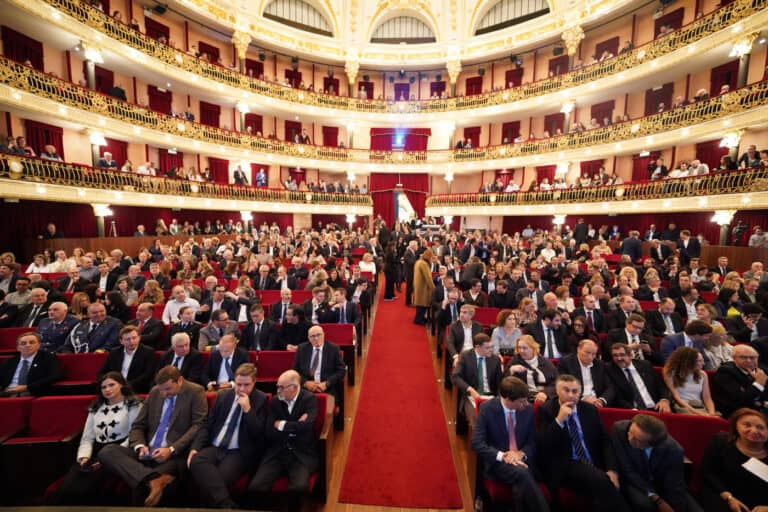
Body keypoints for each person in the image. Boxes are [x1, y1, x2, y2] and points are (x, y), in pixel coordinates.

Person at [47, 372, 143, 505]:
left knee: (92, 484)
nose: (107, 389)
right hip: (96, 451)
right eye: (104, 387)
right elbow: (87, 438)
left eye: (112, 385)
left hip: (120, 451)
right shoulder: (95, 407)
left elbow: (134, 433)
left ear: (122, 385)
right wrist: (84, 457)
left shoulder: (133, 405)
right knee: (72, 481)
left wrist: (112, 455)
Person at [537, 374, 629, 512]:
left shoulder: (589, 409)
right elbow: (544, 445)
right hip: (566, 463)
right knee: (601, 481)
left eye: (575, 391)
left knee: (612, 487)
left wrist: (612, 470)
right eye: (566, 390)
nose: (571, 395)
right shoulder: (547, 409)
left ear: (580, 393)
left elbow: (605, 441)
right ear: (557, 391)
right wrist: (559, 419)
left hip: (592, 461)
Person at [188, 363, 268, 508]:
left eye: (246, 385)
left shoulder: (261, 399)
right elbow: (207, 425)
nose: (241, 389)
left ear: (254, 382)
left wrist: (248, 410)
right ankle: (228, 505)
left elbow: (259, 434)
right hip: (216, 445)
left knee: (217, 480)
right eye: (238, 384)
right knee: (196, 460)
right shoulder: (223, 396)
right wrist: (195, 447)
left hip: (238, 451)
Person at [471, 376, 550, 511]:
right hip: (498, 463)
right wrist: (503, 456)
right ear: (508, 400)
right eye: (522, 401)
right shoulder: (487, 409)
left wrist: (521, 454)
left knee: (521, 481)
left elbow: (532, 442)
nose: (526, 404)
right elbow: (476, 443)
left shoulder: (528, 410)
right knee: (523, 473)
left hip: (523, 461)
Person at [247, 370, 318, 510]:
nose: (278, 390)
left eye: (282, 387)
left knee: (299, 488)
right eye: (277, 386)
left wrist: (282, 425)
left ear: (294, 387)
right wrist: (296, 426)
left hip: (301, 453)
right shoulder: (275, 401)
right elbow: (269, 431)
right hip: (277, 451)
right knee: (256, 487)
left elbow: (307, 427)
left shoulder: (309, 399)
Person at [610, 414, 702, 512]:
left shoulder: (674, 450)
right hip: (634, 480)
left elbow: (674, 483)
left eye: (637, 440)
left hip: (662, 483)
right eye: (630, 432)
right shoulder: (620, 429)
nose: (630, 439)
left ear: (652, 444)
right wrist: (657, 499)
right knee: (644, 504)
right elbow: (628, 470)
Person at [699, 408, 768, 512]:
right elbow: (707, 472)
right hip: (722, 494)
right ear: (736, 427)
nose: (754, 431)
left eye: (760, 427)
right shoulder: (722, 442)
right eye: (747, 425)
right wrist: (729, 497)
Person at [292, 325, 346, 430]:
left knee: (323, 414)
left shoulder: (333, 348)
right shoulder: (302, 349)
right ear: (308, 338)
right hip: (306, 388)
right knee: (299, 410)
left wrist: (326, 383)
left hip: (327, 387)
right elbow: (295, 371)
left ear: (324, 335)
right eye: (313, 336)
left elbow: (341, 371)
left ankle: (323, 432)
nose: (316, 338)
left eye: (318, 335)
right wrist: (305, 383)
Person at [452, 333, 503, 428]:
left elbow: (500, 383)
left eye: (491, 347)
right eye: (487, 348)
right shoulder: (465, 356)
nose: (491, 350)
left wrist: (500, 399)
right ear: (477, 347)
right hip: (472, 397)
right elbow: (455, 377)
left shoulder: (495, 360)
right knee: (478, 421)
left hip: (491, 396)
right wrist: (470, 389)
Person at [606, 342, 671, 412]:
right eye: (615, 355)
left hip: (656, 407)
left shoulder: (645, 365)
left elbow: (660, 386)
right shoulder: (610, 370)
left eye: (622, 355)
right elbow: (617, 396)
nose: (619, 358)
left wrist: (664, 400)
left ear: (631, 356)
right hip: (633, 410)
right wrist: (632, 410)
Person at [98, 326, 158, 394]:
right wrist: (110, 383)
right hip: (114, 388)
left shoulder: (148, 352)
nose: (131, 341)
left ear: (139, 338)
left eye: (134, 338)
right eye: (127, 339)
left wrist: (126, 385)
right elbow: (102, 372)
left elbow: (148, 375)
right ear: (121, 341)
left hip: (137, 388)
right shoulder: (114, 352)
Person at [713, 344, 768, 418]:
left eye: (752, 358)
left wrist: (763, 403)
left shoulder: (763, 371)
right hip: (736, 412)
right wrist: (759, 383)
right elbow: (741, 398)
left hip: (760, 410)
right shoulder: (726, 372)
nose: (748, 360)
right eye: (743, 357)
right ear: (734, 358)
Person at [557, 339, 615, 407]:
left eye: (593, 354)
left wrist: (601, 400)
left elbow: (610, 387)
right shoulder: (566, 363)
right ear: (578, 349)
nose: (590, 357)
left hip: (597, 402)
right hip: (576, 402)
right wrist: (583, 399)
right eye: (587, 353)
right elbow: (564, 387)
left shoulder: (599, 364)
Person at [0, 332, 60, 396]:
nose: (27, 345)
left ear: (38, 345)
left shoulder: (47, 358)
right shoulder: (10, 361)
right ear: (18, 348)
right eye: (23, 343)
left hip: (32, 393)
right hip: (7, 393)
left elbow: (55, 376)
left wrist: (27, 387)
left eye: (32, 342)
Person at [662, 347, 718, 416]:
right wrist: (699, 413)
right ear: (688, 362)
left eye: (702, 360)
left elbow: (707, 398)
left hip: (699, 406)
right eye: (699, 361)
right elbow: (677, 398)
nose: (703, 363)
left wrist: (711, 413)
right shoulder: (670, 374)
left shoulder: (703, 374)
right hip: (683, 407)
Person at [504, 335, 558, 402]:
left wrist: (545, 393)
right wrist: (511, 370)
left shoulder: (544, 361)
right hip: (523, 397)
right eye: (519, 348)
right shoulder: (514, 361)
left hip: (544, 396)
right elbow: (505, 383)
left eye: (524, 348)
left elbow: (556, 381)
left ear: (533, 348)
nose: (521, 351)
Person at [412, 249, 435, 325]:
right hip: (423, 287)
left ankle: (420, 318)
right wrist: (433, 288)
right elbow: (428, 278)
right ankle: (418, 320)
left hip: (419, 286)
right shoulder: (424, 264)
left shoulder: (419, 261)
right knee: (422, 305)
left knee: (420, 304)